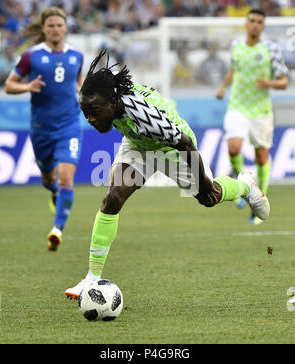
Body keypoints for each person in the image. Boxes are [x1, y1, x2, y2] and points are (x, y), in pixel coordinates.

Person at [64, 49, 270, 299]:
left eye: (95, 112)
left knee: (211, 196)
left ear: (113, 103)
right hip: (138, 144)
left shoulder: (143, 115)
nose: (90, 118)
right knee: (113, 198)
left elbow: (184, 144)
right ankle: (91, 279)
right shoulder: (106, 100)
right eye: (86, 113)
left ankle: (245, 185)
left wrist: (204, 186)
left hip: (173, 147)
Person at [5, 7, 84, 251]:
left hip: (69, 126)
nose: (55, 29)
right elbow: (9, 85)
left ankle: (57, 229)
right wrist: (27, 87)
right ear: (43, 29)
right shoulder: (31, 56)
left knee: (66, 177)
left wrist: (88, 97)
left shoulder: (77, 56)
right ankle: (53, 192)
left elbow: (81, 85)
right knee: (49, 178)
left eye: (59, 25)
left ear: (65, 27)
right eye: (50, 25)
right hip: (41, 129)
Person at [216, 9, 288, 225]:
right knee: (233, 148)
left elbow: (284, 81)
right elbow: (233, 70)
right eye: (252, 21)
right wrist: (222, 88)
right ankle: (244, 184)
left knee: (261, 157)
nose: (255, 24)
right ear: (246, 24)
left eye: (259, 22)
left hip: (261, 110)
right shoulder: (236, 46)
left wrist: (270, 84)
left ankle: (259, 200)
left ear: (263, 26)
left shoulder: (271, 49)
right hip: (237, 106)